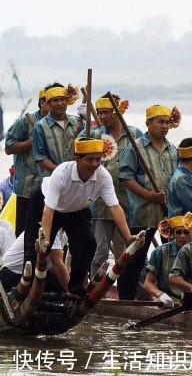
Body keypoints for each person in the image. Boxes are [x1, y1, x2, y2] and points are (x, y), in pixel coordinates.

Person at [23, 138, 137, 297]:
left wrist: (128, 237)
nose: (95, 164)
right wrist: (45, 240)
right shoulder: (62, 173)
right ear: (77, 160)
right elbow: (48, 211)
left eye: (98, 159)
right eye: (89, 160)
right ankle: (28, 289)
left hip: (77, 209)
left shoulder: (103, 175)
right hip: (46, 204)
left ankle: (75, 289)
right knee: (36, 248)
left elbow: (115, 207)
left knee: (88, 243)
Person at [117, 104, 179, 300]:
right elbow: (124, 178)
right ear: (148, 123)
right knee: (135, 257)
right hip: (142, 212)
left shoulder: (172, 150)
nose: (164, 126)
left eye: (167, 122)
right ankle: (126, 299)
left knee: (174, 255)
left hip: (168, 214)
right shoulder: (136, 147)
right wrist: (148, 195)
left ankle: (171, 295)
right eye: (160, 122)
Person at [87, 94, 142, 277]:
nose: (103, 116)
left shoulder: (134, 135)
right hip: (101, 204)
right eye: (100, 113)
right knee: (99, 251)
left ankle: (132, 288)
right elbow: (79, 155)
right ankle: (94, 287)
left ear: (117, 112)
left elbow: (143, 164)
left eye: (107, 112)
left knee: (130, 250)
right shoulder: (95, 135)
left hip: (129, 202)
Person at [5, 88, 49, 236]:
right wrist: (31, 142)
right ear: (42, 103)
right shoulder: (24, 122)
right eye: (52, 101)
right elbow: (8, 147)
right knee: (24, 232)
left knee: (48, 230)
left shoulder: (59, 124)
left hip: (50, 187)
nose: (59, 105)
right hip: (27, 187)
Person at [143, 214, 192, 307]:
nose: (182, 236)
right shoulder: (160, 252)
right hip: (168, 302)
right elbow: (148, 283)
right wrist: (160, 295)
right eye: (178, 232)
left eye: (186, 232)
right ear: (172, 234)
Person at [32, 84, 80, 179]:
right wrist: (60, 172)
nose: (60, 103)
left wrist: (87, 121)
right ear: (49, 104)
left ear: (67, 101)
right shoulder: (40, 126)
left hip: (76, 178)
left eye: (62, 99)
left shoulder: (77, 122)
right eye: (55, 100)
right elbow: (40, 157)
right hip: (52, 179)